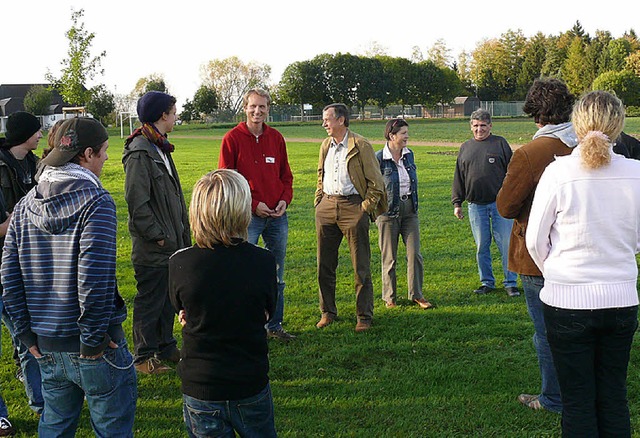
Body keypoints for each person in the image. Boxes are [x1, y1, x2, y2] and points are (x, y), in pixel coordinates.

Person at [1, 117, 137, 437]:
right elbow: (94, 279)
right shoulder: (96, 201)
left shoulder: (25, 205)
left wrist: (26, 335)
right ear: (87, 154)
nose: (106, 157)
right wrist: (91, 343)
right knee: (112, 429)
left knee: (55, 425)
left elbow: (9, 275)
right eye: (103, 151)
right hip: (94, 347)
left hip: (46, 343)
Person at [526, 90, 640, 437]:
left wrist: (558, 275)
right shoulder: (636, 173)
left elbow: (535, 240)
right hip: (620, 300)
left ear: (576, 124)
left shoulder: (557, 174)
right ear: (618, 125)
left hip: (566, 303)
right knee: (613, 398)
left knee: (577, 402)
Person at [169, 169, 278, 437]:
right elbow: (266, 312)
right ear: (242, 209)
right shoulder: (262, 261)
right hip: (248, 381)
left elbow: (182, 310)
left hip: (201, 383)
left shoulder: (180, 262)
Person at [496, 77, 577, 413]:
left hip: (538, 255)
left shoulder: (531, 153)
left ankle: (554, 398)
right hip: (579, 251)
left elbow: (505, 207)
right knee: (577, 330)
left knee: (546, 333)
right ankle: (579, 392)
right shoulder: (584, 145)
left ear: (537, 113)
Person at [218, 88, 294, 341]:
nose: (257, 111)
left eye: (262, 107)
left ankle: (274, 325)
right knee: (243, 272)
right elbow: (226, 181)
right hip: (246, 218)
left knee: (276, 273)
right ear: (245, 108)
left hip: (277, 218)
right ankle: (245, 328)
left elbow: (286, 176)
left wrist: (284, 200)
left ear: (268, 109)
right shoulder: (232, 138)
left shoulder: (276, 138)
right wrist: (253, 204)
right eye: (253, 106)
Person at [123, 91, 191, 374]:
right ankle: (143, 357)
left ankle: (165, 346)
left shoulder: (159, 146)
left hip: (171, 244)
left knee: (167, 299)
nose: (176, 116)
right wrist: (158, 236)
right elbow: (137, 202)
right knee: (150, 301)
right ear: (163, 115)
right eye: (174, 112)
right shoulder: (140, 150)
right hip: (154, 247)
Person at [315, 103, 386, 332]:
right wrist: (319, 201)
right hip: (327, 207)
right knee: (324, 264)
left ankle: (363, 316)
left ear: (341, 120)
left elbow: (376, 182)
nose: (324, 123)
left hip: (353, 207)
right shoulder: (326, 145)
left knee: (360, 266)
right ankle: (327, 312)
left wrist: (365, 208)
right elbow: (320, 174)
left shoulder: (361, 144)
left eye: (327, 119)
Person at [0, 111, 44, 416]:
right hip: (2, 264)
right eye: (36, 131)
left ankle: (41, 405)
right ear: (24, 134)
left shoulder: (33, 164)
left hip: (24, 264)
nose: (40, 135)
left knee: (28, 340)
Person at [451, 109, 518, 296]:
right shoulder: (465, 147)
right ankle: (487, 282)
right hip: (475, 206)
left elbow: (513, 174)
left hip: (500, 205)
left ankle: (510, 282)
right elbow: (459, 177)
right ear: (470, 126)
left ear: (490, 126)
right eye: (475, 125)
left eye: (483, 125)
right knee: (482, 245)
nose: (479, 129)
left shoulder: (500, 144)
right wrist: (457, 203)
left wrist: (513, 200)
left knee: (506, 244)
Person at [375, 118, 433, 310]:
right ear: (392, 135)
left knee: (415, 254)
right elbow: (373, 186)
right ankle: (389, 297)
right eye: (403, 133)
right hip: (387, 213)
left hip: (410, 210)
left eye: (407, 133)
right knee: (389, 257)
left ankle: (417, 294)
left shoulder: (409, 155)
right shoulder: (379, 158)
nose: (407, 136)